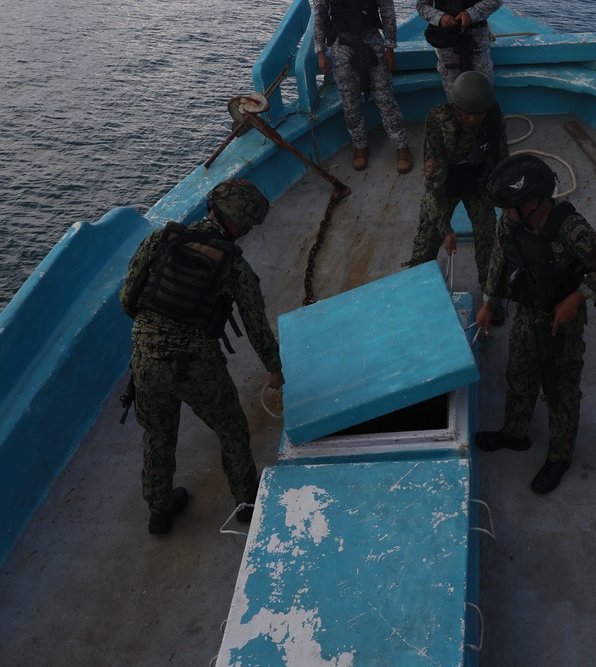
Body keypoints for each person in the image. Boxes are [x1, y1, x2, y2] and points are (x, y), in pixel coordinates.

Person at [120, 178, 284, 535]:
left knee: (157, 435)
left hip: (145, 359)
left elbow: (126, 299)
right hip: (196, 367)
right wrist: (274, 370)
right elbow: (256, 326)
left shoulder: (163, 239)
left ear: (213, 207)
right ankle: (246, 503)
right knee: (231, 428)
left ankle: (160, 512)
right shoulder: (234, 266)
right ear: (239, 224)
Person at [473, 154, 596, 494]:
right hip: (528, 309)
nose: (504, 215)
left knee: (560, 388)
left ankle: (559, 455)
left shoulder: (570, 230)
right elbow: (499, 257)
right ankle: (515, 432)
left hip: (561, 319)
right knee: (520, 372)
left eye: (510, 208)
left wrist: (575, 299)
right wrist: (489, 303)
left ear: (534, 202)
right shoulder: (510, 223)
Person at [407, 69, 509, 324]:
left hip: (477, 181)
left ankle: (490, 297)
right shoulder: (440, 123)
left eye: (479, 113)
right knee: (425, 241)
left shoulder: (494, 118)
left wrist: (507, 201)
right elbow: (433, 186)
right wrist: (445, 228)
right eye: (468, 113)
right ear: (456, 107)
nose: (474, 119)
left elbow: (502, 160)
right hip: (446, 183)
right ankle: (418, 292)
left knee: (488, 236)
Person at [312, 0, 413, 173]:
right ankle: (359, 146)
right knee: (349, 100)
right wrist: (320, 51)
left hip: (371, 40)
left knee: (384, 97)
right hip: (342, 44)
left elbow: (387, 10)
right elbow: (320, 14)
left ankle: (401, 146)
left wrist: (390, 46)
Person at [417, 0, 502, 94]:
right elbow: (422, 5)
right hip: (447, 40)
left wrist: (470, 14)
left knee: (483, 84)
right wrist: (439, 17)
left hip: (477, 40)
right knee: (453, 87)